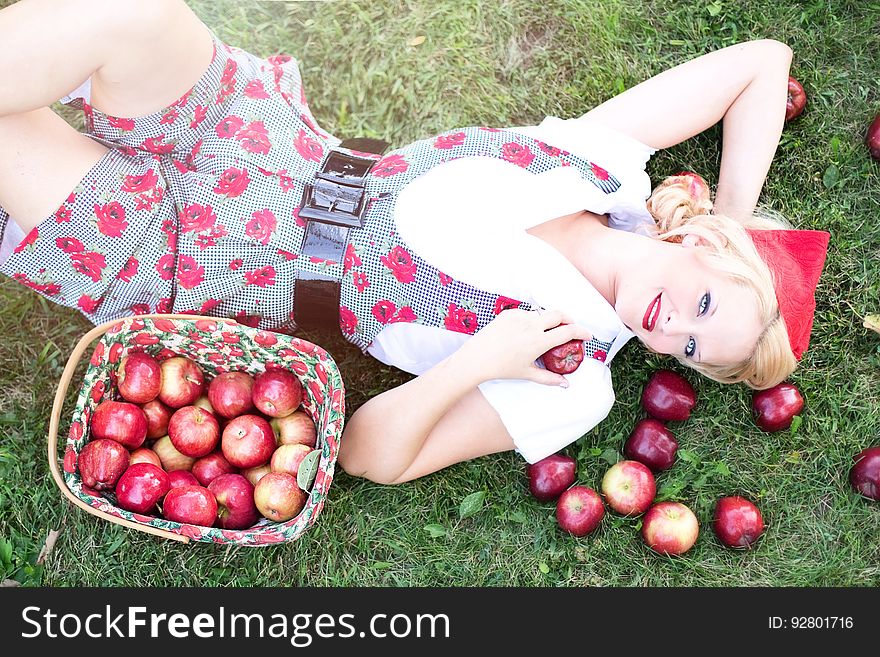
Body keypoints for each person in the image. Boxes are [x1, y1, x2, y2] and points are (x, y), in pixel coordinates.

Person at [0, 0, 828, 485]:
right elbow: (761, 62)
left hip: (204, 256)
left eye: (685, 347)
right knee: (128, 11)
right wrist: (737, 216)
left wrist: (481, 360)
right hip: (260, 136)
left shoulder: (573, 380)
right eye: (706, 302)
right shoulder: (602, 165)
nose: (670, 324)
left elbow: (367, 456)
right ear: (709, 248)